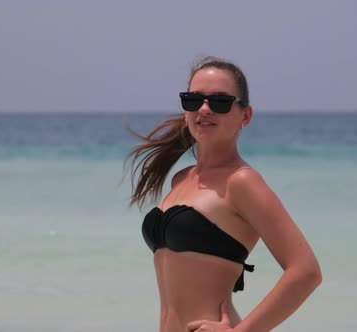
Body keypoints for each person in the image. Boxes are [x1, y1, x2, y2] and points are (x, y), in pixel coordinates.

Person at [125, 56, 322, 332]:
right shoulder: (181, 179)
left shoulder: (242, 182)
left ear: (245, 115)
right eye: (194, 100)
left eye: (220, 102)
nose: (204, 109)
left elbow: (306, 271)